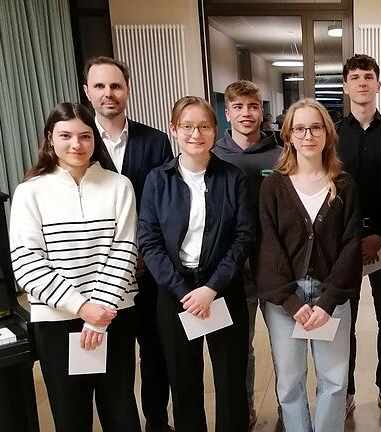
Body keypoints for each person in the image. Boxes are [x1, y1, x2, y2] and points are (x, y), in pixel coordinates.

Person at [9, 102, 140, 432]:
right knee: (70, 416)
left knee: (121, 410)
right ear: (50, 139)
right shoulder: (30, 192)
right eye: (65, 135)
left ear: (94, 139)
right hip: (56, 321)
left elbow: (124, 251)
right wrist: (81, 307)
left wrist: (100, 314)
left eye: (84, 136)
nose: (76, 144)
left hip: (113, 317)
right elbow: (26, 263)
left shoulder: (118, 185)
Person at [138, 96, 255, 432]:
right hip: (175, 295)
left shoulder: (234, 178)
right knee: (184, 382)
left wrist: (211, 288)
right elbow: (150, 241)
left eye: (204, 126)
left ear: (215, 130)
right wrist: (183, 290)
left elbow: (243, 237)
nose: (195, 134)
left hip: (223, 289)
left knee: (231, 381)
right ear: (174, 129)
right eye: (187, 126)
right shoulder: (157, 180)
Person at [256, 98, 361, 432]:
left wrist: (328, 301)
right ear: (288, 135)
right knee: (290, 382)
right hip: (286, 301)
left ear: (327, 133)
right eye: (299, 128)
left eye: (316, 127)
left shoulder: (344, 184)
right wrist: (290, 301)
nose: (308, 135)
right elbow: (269, 247)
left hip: (332, 298)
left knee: (333, 380)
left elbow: (351, 246)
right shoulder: (273, 185)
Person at [82, 56, 175, 432]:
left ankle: (156, 422)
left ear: (127, 91)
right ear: (87, 92)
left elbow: (169, 203)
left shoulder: (154, 142)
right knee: (111, 354)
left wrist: (146, 253)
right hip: (96, 273)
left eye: (116, 86)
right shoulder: (78, 140)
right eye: (100, 86)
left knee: (155, 352)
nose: (109, 93)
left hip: (148, 269)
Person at [336, 53, 381, 415]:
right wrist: (350, 239)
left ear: (379, 84)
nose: (362, 82)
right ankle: (343, 391)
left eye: (369, 76)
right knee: (341, 321)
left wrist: (378, 232)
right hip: (341, 244)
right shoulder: (330, 134)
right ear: (346, 86)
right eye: (355, 77)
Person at [212, 79, 283, 427]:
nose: (246, 113)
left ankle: (290, 411)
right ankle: (245, 411)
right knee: (241, 350)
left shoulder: (281, 154)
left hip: (277, 268)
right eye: (238, 107)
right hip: (232, 273)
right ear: (227, 113)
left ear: (262, 112)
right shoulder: (213, 155)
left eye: (252, 107)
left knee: (285, 347)